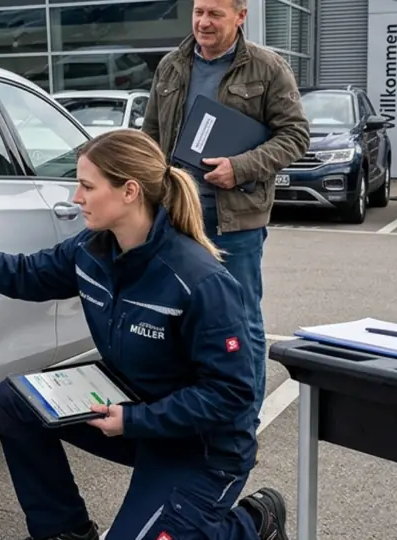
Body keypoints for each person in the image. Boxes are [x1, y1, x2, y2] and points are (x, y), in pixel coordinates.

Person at [0, 129, 294, 540]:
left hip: (203, 447)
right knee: (16, 401)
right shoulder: (92, 250)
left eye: (88, 186)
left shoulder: (200, 280)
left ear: (129, 191)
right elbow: (28, 274)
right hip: (137, 416)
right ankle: (65, 531)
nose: (77, 197)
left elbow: (232, 395)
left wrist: (136, 420)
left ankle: (252, 529)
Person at [141, 0, 310, 425]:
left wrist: (242, 167)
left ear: (240, 16)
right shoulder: (171, 65)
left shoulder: (268, 68)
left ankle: (243, 418)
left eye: (215, 13)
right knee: (179, 316)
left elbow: (296, 135)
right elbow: (152, 134)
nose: (203, 22)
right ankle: (190, 406)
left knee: (241, 319)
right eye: (198, 12)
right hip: (179, 215)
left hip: (236, 220)